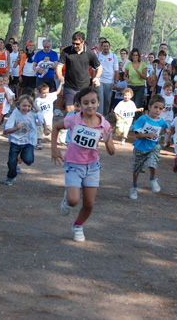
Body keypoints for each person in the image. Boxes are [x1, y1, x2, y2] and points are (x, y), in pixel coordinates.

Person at [51, 88, 115, 242]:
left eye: (93, 102)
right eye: (85, 103)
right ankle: (67, 198)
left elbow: (112, 152)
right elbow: (56, 127)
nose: (90, 106)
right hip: (73, 164)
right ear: (79, 105)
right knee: (73, 201)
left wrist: (107, 142)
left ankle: (78, 226)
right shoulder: (73, 119)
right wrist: (54, 148)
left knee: (89, 203)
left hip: (92, 167)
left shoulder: (104, 124)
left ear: (98, 103)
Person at [129, 94, 171, 200]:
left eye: (160, 108)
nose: (157, 110)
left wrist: (166, 129)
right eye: (155, 107)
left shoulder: (161, 121)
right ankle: (134, 187)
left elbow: (165, 125)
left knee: (153, 163)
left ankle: (153, 179)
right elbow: (137, 135)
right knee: (136, 170)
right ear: (149, 107)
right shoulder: (143, 119)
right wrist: (148, 135)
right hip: (140, 148)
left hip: (153, 147)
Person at [4, 94, 48, 185]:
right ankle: (11, 176)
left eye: (29, 106)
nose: (26, 108)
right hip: (15, 141)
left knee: (29, 160)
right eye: (24, 106)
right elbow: (6, 130)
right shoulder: (15, 113)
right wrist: (16, 128)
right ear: (19, 105)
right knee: (11, 162)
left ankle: (22, 157)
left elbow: (41, 120)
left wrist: (45, 129)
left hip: (28, 141)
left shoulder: (33, 112)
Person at [56, 32, 102, 112]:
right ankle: (70, 123)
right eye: (73, 43)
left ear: (83, 42)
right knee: (70, 110)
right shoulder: (66, 51)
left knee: (83, 110)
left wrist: (97, 78)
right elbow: (59, 67)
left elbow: (99, 67)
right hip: (70, 86)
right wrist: (60, 77)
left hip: (85, 86)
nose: (75, 46)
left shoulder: (89, 53)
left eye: (77, 44)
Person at [35, 81, 63, 150]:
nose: (45, 94)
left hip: (49, 119)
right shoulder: (37, 100)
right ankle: (39, 143)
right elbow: (35, 110)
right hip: (41, 119)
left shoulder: (50, 96)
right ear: (39, 92)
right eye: (43, 93)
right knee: (40, 131)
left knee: (49, 131)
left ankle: (54, 139)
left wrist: (61, 84)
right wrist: (36, 120)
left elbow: (57, 92)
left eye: (47, 92)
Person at [96, 40, 119, 118]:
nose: (105, 48)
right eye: (104, 46)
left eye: (107, 46)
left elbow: (116, 70)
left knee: (107, 100)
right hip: (100, 81)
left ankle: (105, 115)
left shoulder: (113, 56)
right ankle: (100, 117)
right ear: (102, 47)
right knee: (100, 100)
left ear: (109, 47)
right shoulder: (98, 56)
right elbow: (94, 69)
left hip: (109, 81)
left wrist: (115, 82)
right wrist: (94, 79)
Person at [124, 48, 147, 117]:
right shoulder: (128, 65)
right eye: (133, 55)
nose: (135, 57)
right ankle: (131, 119)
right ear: (131, 56)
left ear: (138, 56)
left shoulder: (143, 64)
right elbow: (124, 76)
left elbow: (145, 77)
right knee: (130, 103)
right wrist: (127, 79)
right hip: (131, 86)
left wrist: (137, 70)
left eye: (136, 55)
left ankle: (137, 119)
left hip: (140, 86)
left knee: (138, 104)